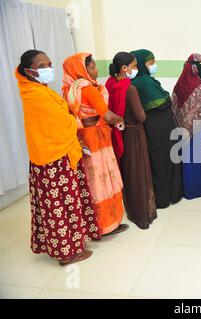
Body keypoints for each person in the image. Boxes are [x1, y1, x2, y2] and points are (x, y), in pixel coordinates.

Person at [15, 50, 100, 265]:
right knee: (60, 206)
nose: (48, 68)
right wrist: (77, 120)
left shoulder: (38, 89)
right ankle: (67, 253)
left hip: (55, 154)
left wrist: (70, 118)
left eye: (49, 64)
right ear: (29, 71)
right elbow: (60, 124)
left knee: (63, 204)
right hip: (53, 159)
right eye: (42, 66)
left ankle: (69, 244)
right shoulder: (36, 95)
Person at [61, 52, 128, 236]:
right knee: (104, 180)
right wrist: (120, 119)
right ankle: (107, 224)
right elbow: (106, 115)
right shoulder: (88, 89)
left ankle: (92, 224)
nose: (96, 70)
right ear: (81, 70)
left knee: (90, 181)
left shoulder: (68, 89)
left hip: (81, 137)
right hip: (96, 138)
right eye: (92, 67)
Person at [105, 52, 157, 229]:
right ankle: (142, 214)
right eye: (134, 66)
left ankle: (131, 209)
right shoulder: (130, 88)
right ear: (124, 68)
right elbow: (141, 116)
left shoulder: (110, 84)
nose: (136, 70)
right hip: (134, 134)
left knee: (127, 171)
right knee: (139, 173)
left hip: (119, 133)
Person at [130, 49, 183, 209]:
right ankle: (164, 197)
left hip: (159, 124)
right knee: (162, 158)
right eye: (151, 63)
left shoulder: (146, 79)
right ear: (140, 64)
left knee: (164, 157)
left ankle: (168, 194)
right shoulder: (144, 81)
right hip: (157, 126)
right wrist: (167, 98)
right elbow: (162, 101)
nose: (154, 66)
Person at [172, 53, 201, 199]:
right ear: (196, 67)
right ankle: (199, 188)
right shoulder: (198, 85)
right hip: (197, 128)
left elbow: (174, 105)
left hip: (183, 128)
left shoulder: (180, 82)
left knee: (187, 157)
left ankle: (186, 188)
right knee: (197, 158)